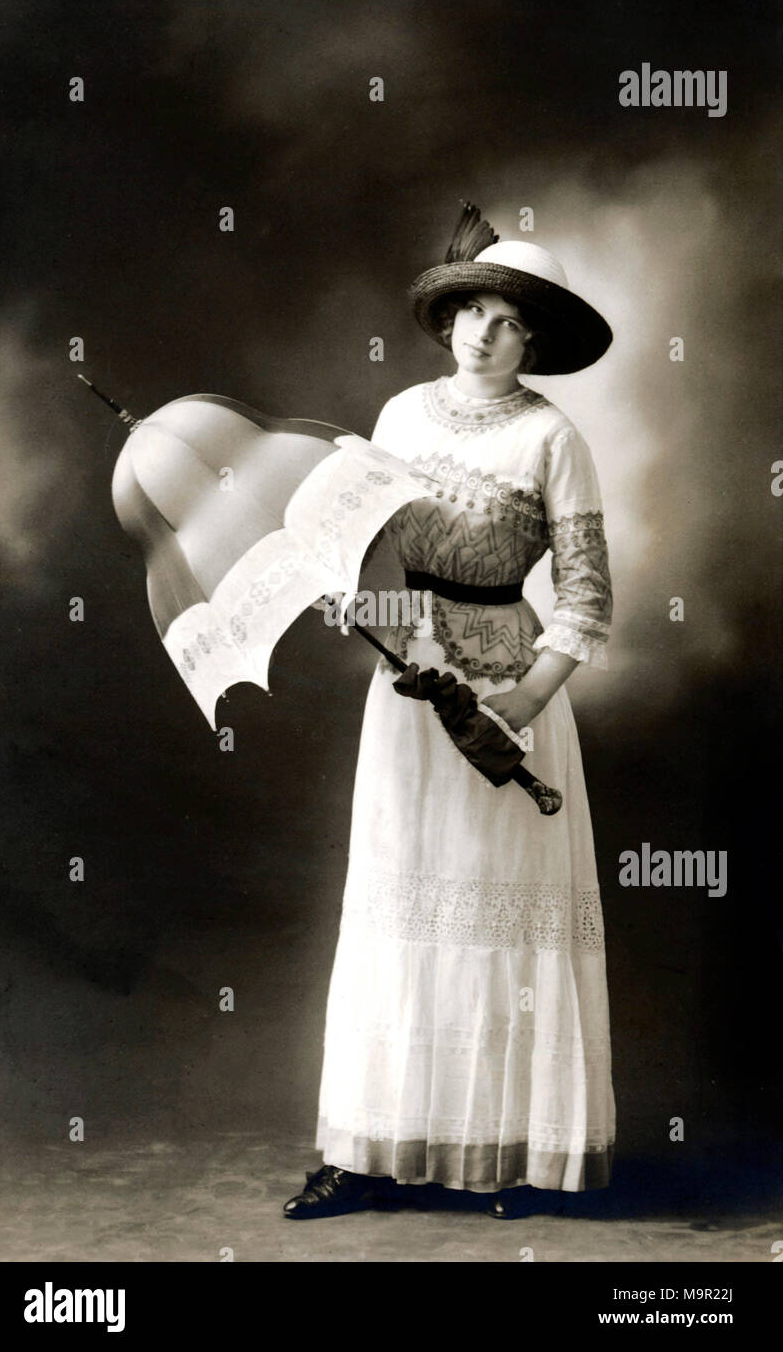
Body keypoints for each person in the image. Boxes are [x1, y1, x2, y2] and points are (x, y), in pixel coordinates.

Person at [284, 204, 616, 1220]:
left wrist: (516, 701)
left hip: (507, 689)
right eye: (473, 307)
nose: (483, 331)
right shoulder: (398, 416)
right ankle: (368, 1149)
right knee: (398, 904)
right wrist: (353, 593)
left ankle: (521, 1153)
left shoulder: (553, 437)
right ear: (450, 316)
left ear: (536, 340)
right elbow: (365, 548)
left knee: (497, 922)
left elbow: (589, 596)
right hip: (404, 684)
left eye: (509, 321)